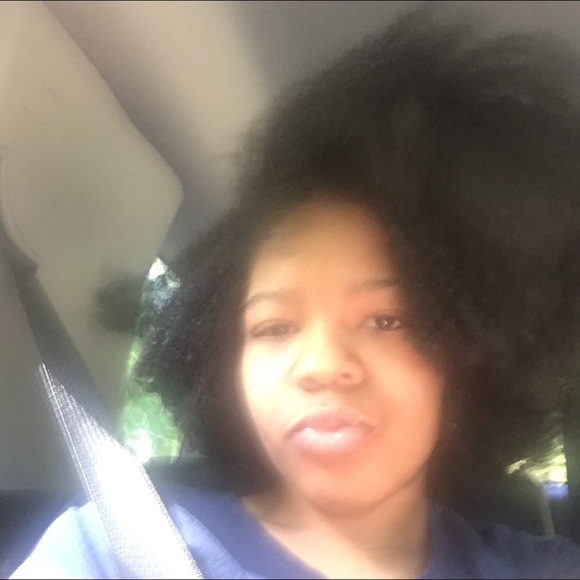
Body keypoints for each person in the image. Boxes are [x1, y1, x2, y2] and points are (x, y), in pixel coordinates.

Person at [12, 6, 580, 579]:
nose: (321, 365)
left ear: (471, 353)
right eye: (273, 327)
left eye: (387, 320)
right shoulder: (115, 550)